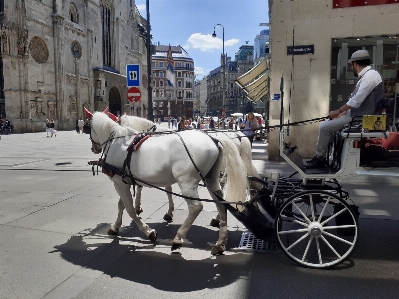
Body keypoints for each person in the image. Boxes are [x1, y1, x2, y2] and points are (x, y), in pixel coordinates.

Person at [306, 49, 384, 168]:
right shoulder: (367, 76)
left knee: (324, 127)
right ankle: (326, 157)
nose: (350, 68)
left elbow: (356, 101)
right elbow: (356, 101)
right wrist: (344, 112)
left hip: (364, 119)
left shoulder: (370, 77)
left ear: (355, 64)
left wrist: (338, 111)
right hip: (359, 116)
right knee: (328, 124)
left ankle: (320, 158)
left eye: (350, 65)